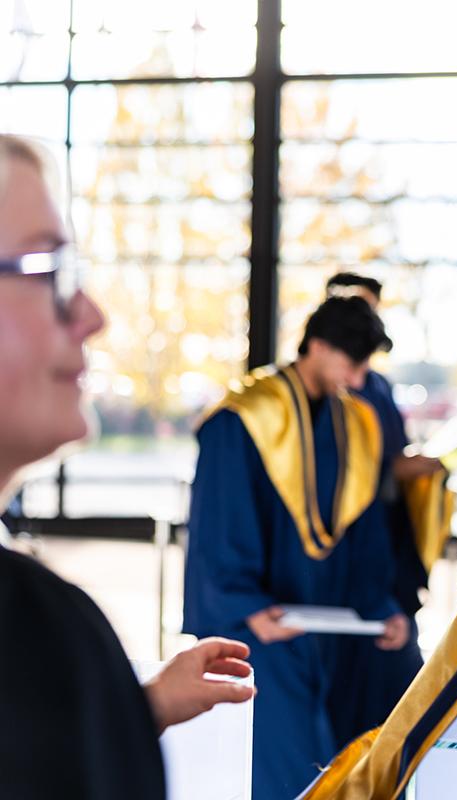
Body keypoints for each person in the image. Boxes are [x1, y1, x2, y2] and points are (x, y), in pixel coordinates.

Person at [0, 133, 254, 797]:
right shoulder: (40, 625)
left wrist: (131, 707)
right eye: (44, 268)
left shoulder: (46, 639)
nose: (92, 315)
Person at [183, 296, 413, 799]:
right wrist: (248, 608)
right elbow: (220, 529)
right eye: (352, 363)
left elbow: (366, 532)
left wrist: (384, 607)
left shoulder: (356, 423)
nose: (357, 380)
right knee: (290, 753)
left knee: (400, 675)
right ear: (317, 346)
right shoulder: (242, 419)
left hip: (334, 616)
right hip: (259, 618)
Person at [325, 271, 444, 615]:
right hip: (347, 545)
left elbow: (393, 446)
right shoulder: (327, 390)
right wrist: (392, 469)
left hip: (389, 534)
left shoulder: (377, 384)